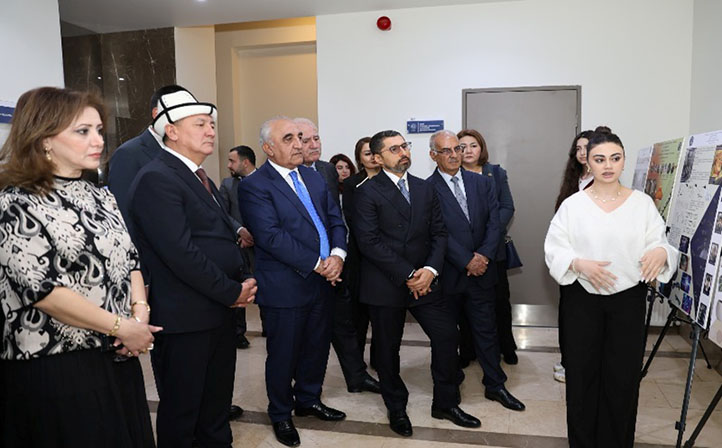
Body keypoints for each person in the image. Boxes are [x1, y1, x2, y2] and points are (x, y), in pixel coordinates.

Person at [0, 86, 158, 447]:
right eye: (83, 131)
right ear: (44, 140)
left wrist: (139, 317)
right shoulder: (15, 202)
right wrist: (123, 327)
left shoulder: (102, 195)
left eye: (99, 130)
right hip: (57, 364)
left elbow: (130, 261)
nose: (98, 140)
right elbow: (43, 291)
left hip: (117, 352)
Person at [127, 88, 257, 448]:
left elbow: (221, 236)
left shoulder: (200, 177)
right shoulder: (157, 177)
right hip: (185, 319)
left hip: (215, 313)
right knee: (183, 413)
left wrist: (243, 278)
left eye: (211, 124)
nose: (211, 131)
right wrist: (232, 291)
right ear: (171, 131)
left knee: (215, 407)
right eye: (200, 124)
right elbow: (180, 253)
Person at [544, 131, 677, 447]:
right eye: (599, 159)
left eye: (615, 158)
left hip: (628, 301)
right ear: (587, 162)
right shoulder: (573, 205)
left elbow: (659, 241)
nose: (608, 166)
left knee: (623, 379)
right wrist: (578, 263)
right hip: (582, 300)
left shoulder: (642, 204)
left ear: (623, 161)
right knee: (581, 376)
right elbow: (554, 248)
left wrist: (661, 252)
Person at [353, 130, 480, 437]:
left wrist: (430, 271)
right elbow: (369, 242)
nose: (403, 153)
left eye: (405, 146)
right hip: (386, 283)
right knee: (387, 350)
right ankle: (396, 406)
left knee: (447, 335)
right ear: (378, 158)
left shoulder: (425, 188)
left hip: (425, 280)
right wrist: (408, 274)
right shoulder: (366, 192)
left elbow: (439, 233)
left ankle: (446, 403)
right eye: (394, 149)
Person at [238, 117, 348, 447]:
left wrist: (338, 255)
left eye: (300, 137)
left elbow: (335, 220)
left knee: (317, 346)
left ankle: (309, 400)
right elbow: (270, 236)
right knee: (284, 354)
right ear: (268, 148)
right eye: (289, 139)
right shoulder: (255, 186)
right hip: (285, 285)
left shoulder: (314, 178)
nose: (299, 144)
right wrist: (318, 264)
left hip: (324, 281)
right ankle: (281, 413)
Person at [427, 130, 525, 412]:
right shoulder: (426, 188)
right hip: (449, 274)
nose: (454, 155)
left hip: (483, 271)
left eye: (457, 149)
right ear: (433, 155)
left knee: (487, 330)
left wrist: (483, 256)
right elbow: (436, 231)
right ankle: (450, 388)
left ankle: (495, 384)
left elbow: (495, 222)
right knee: (447, 337)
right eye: (446, 151)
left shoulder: (482, 183)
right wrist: (466, 260)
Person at [458, 129, 518, 365]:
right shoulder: (452, 175)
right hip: (463, 253)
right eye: (462, 146)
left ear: (481, 148)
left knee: (500, 302)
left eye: (473, 145)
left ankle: (506, 347)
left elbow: (507, 207)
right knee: (464, 304)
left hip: (493, 250)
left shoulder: (495, 173)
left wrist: (488, 236)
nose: (468, 150)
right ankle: (468, 349)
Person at [552, 129, 595, 383]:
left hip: (590, 260)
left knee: (586, 317)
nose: (581, 153)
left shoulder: (601, 181)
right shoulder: (574, 179)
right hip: (568, 259)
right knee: (568, 312)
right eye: (577, 149)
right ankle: (568, 360)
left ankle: (580, 364)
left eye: (586, 148)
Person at [108, 84, 186, 223]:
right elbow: (124, 212)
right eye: (179, 111)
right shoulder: (128, 154)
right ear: (156, 113)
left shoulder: (184, 150)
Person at [342, 137, 379, 366]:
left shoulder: (391, 180)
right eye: (367, 154)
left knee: (383, 316)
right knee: (358, 314)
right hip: (360, 255)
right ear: (359, 158)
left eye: (375, 153)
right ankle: (356, 364)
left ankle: (379, 359)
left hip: (386, 257)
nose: (372, 157)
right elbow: (352, 218)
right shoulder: (352, 184)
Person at [219, 145, 257, 350]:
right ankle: (239, 333)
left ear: (246, 162)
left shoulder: (266, 180)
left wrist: (256, 234)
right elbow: (222, 213)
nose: (228, 165)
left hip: (265, 245)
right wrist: (241, 231)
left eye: (232, 161)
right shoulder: (227, 184)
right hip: (238, 244)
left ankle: (270, 327)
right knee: (240, 285)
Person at [294, 117, 340, 203]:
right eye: (306, 141)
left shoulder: (329, 168)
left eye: (316, 139)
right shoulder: (289, 173)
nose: (314, 145)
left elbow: (334, 204)